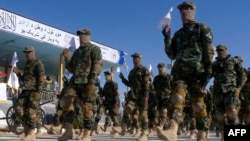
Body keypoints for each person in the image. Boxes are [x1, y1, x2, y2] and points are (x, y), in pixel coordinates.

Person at [159, 1, 214, 141]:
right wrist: (167, 38)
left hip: (198, 72)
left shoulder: (202, 28)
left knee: (198, 104)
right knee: (177, 98)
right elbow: (171, 54)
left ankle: (202, 133)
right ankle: (172, 130)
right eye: (182, 9)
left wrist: (208, 71)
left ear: (193, 10)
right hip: (180, 73)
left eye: (187, 8)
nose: (184, 12)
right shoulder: (178, 34)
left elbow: (208, 51)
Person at [59, 28, 102, 141]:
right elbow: (72, 68)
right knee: (66, 101)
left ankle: (87, 133)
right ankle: (68, 131)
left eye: (82, 35)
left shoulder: (94, 49)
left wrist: (92, 82)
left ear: (88, 36)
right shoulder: (78, 51)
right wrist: (67, 57)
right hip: (75, 81)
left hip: (87, 82)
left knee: (87, 107)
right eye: (79, 36)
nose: (80, 37)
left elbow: (97, 65)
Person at [212, 44, 247, 141]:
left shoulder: (233, 61)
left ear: (226, 50)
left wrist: (239, 88)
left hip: (231, 90)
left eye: (222, 50)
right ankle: (224, 136)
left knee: (232, 112)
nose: (220, 52)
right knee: (219, 115)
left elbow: (242, 75)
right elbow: (208, 75)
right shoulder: (214, 64)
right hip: (218, 91)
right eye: (218, 50)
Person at [13, 46, 46, 141]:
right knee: (19, 108)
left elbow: (41, 78)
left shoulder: (38, 63)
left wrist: (38, 91)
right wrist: (18, 73)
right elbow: (24, 79)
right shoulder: (27, 64)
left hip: (34, 91)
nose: (26, 54)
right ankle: (26, 128)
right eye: (25, 53)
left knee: (32, 111)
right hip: (25, 90)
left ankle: (31, 133)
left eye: (28, 52)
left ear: (33, 52)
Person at [119, 53, 150, 141]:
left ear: (140, 59)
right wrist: (122, 78)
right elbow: (130, 84)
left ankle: (144, 134)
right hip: (133, 96)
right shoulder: (131, 72)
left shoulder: (144, 70)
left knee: (143, 115)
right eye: (133, 58)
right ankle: (123, 129)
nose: (134, 59)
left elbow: (146, 84)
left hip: (142, 96)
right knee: (127, 109)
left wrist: (146, 97)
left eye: (136, 57)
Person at [92, 71, 121, 138]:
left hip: (114, 102)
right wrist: (99, 86)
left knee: (115, 117)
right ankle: (94, 128)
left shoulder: (114, 84)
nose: (106, 76)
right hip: (107, 102)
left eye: (108, 75)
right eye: (105, 75)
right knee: (99, 111)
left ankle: (116, 132)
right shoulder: (106, 85)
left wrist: (116, 103)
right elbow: (102, 94)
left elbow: (116, 94)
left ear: (111, 76)